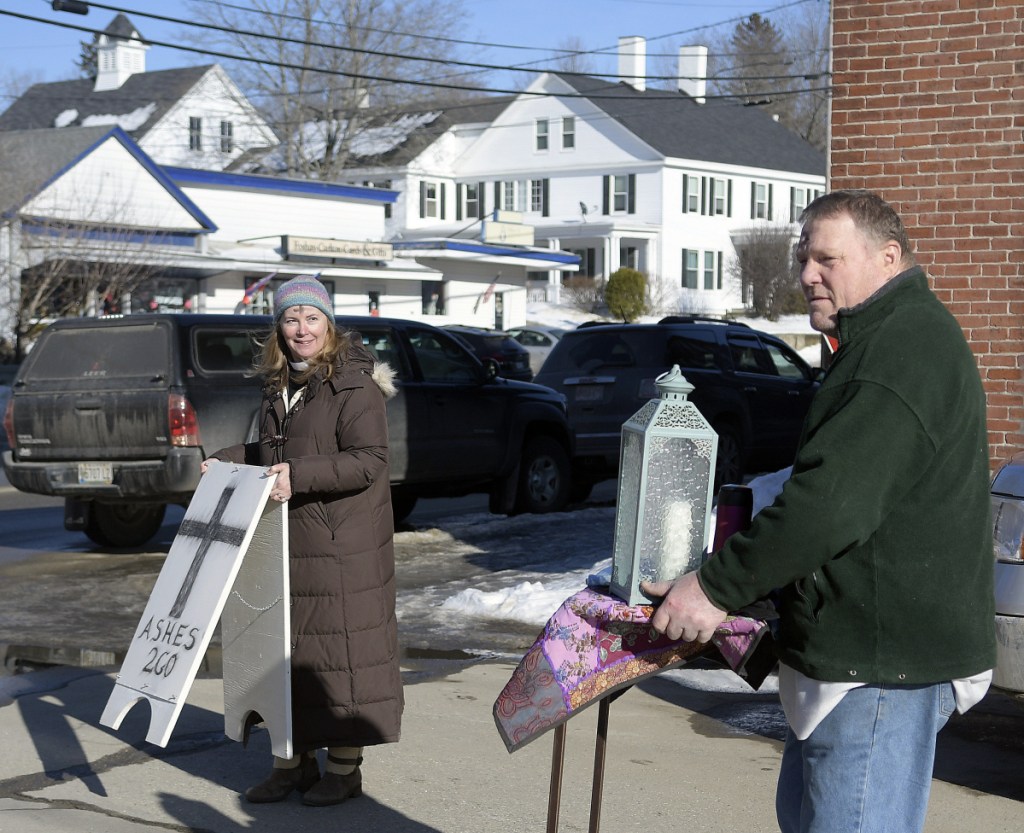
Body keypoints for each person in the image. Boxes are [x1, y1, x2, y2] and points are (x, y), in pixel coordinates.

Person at [641, 190, 995, 833]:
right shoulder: (881, 342)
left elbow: (829, 507)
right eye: (805, 258)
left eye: (827, 259)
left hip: (882, 665)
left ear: (888, 258)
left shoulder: (898, 355)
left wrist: (716, 587)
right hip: (864, 656)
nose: (807, 274)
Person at [203, 274, 402, 807]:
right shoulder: (279, 385)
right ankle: (290, 764)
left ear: (329, 324)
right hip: (287, 542)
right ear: (279, 327)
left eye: (312, 318)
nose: (301, 329)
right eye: (291, 319)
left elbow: (370, 461)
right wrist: (226, 460)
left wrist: (300, 474)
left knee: (338, 658)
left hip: (341, 546)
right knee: (283, 654)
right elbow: (273, 452)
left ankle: (343, 769)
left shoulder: (355, 386)